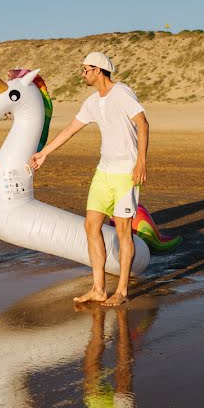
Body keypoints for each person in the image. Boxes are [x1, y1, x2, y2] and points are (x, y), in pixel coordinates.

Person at [30, 52, 149, 306]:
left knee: (123, 231)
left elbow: (143, 123)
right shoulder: (92, 102)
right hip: (103, 172)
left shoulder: (122, 92)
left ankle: (122, 291)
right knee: (90, 226)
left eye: (85, 69)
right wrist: (44, 154)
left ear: (98, 70)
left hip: (126, 172)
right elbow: (70, 129)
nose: (82, 74)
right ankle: (98, 288)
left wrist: (141, 161)